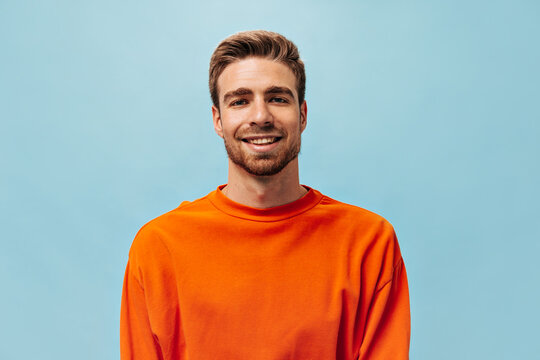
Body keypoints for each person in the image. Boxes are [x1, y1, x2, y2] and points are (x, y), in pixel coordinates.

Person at [120, 30, 410, 360]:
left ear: (302, 115)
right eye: (240, 101)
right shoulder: (159, 247)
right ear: (218, 120)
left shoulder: (369, 242)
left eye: (277, 98)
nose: (260, 116)